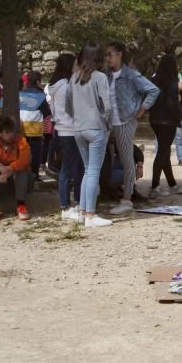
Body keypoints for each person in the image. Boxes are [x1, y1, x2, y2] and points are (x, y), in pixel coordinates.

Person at [105, 42, 159, 215]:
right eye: (106, 55)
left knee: (127, 160)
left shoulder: (131, 75)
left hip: (125, 121)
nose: (108, 58)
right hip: (107, 123)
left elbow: (153, 90)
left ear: (119, 54)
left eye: (110, 54)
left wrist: (142, 109)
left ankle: (127, 199)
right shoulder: (105, 76)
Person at [67, 44, 113, 227]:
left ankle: (83, 211)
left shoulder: (74, 78)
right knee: (94, 171)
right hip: (96, 128)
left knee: (88, 170)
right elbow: (108, 106)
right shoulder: (100, 77)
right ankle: (91, 215)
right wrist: (107, 125)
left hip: (78, 128)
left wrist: (78, 118)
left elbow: (68, 105)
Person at [46, 53, 85, 221]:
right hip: (70, 129)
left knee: (74, 167)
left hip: (62, 128)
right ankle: (65, 205)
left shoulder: (55, 85)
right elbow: (71, 108)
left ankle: (74, 202)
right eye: (75, 64)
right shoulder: (66, 86)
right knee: (68, 169)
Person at [148, 54, 182, 198]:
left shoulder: (154, 80)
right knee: (163, 153)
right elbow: (172, 104)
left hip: (155, 119)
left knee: (164, 152)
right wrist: (178, 117)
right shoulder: (172, 82)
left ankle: (172, 183)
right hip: (168, 120)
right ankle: (154, 185)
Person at [0, 116, 31, 223]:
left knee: (23, 170)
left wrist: (10, 169)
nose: (11, 135)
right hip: (0, 176)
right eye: (7, 132)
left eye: (12, 132)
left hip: (15, 176)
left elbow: (25, 159)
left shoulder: (21, 140)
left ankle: (21, 205)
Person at [19, 71, 50, 183]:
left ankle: (22, 173)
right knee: (36, 153)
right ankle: (34, 175)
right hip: (35, 129)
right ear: (37, 82)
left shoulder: (22, 93)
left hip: (22, 128)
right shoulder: (40, 95)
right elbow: (46, 112)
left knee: (23, 151)